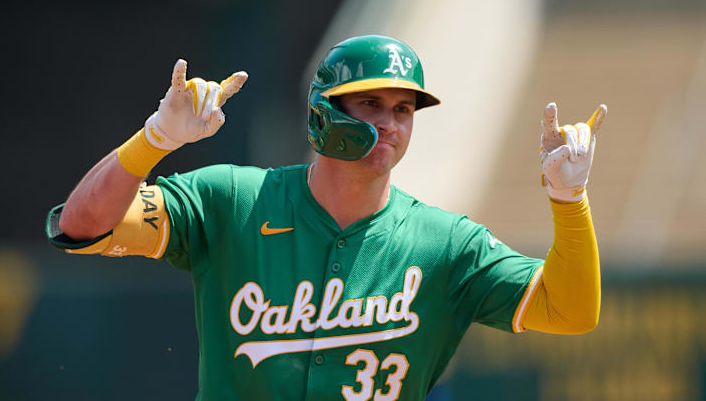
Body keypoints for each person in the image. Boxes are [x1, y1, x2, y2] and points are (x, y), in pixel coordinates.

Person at [46, 35, 605, 401]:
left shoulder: (446, 244)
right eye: (369, 104)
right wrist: (154, 141)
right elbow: (81, 226)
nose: (389, 123)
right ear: (322, 112)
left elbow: (571, 311)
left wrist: (568, 202)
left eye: (403, 110)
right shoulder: (233, 199)